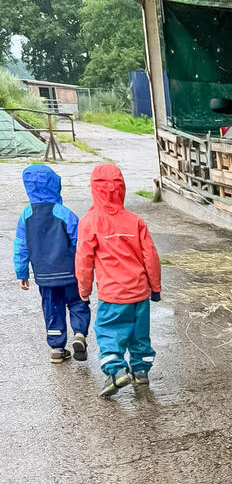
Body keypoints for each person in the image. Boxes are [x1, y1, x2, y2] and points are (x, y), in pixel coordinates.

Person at [75, 163, 162, 398]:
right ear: (121, 188)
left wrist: (83, 289)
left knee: (108, 331)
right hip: (140, 292)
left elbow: (83, 259)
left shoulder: (89, 222)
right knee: (139, 334)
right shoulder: (134, 220)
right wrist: (155, 287)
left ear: (94, 189)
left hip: (113, 295)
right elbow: (150, 256)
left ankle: (116, 371)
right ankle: (141, 371)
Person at [14, 164, 91, 363]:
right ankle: (80, 334)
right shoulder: (63, 212)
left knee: (52, 307)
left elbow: (21, 246)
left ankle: (57, 347)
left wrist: (22, 272)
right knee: (77, 303)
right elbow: (79, 241)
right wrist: (86, 267)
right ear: (55, 185)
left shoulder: (26, 216)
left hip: (45, 276)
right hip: (70, 272)